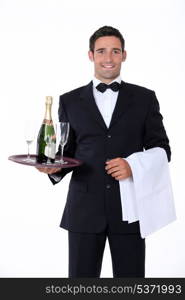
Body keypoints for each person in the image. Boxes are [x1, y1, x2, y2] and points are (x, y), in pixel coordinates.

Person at [37, 25, 171, 278]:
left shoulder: (145, 98)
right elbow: (67, 151)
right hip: (83, 210)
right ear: (91, 55)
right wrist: (54, 170)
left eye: (115, 51)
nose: (108, 58)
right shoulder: (69, 100)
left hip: (129, 208)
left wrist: (133, 164)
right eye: (101, 51)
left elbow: (162, 149)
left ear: (124, 55)